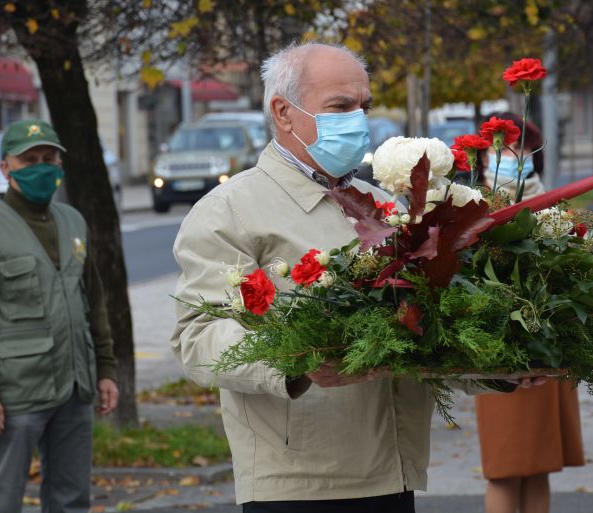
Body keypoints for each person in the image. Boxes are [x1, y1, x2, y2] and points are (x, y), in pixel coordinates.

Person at [171, 42, 541, 513]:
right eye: (340, 107)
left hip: (394, 470)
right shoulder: (230, 212)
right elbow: (198, 339)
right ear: (284, 113)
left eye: (363, 106)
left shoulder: (386, 204)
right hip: (299, 485)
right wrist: (294, 362)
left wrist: (501, 365)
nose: (358, 120)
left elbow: (430, 331)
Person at [0, 119, 119, 513]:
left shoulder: (73, 221)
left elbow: (93, 301)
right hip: (16, 394)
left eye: (49, 158)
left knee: (71, 499)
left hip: (75, 387)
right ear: (6, 168)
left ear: (60, 165)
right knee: (1, 501)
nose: (41, 167)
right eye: (29, 160)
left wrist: (105, 370)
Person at [473, 112, 586, 513]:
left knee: (540, 465)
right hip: (500, 350)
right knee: (504, 467)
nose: (507, 153)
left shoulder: (550, 203)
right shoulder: (473, 205)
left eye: (517, 145)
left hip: (548, 345)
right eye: (498, 146)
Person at [477, 111, 546, 200]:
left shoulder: (553, 205)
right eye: (502, 149)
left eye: (519, 147)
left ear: (533, 152)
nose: (512, 157)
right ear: (484, 158)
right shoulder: (473, 204)